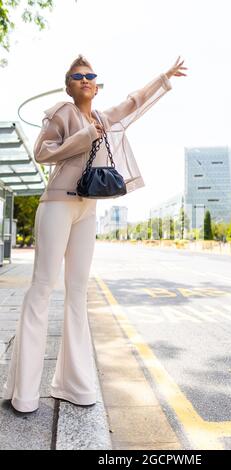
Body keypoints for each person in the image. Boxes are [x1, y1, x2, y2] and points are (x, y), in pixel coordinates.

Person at [2, 54, 188, 413]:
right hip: (57, 204)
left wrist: (163, 77)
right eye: (77, 76)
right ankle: (23, 392)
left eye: (90, 75)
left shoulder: (103, 117)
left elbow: (134, 103)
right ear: (68, 85)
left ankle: (73, 385)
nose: (85, 79)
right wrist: (86, 135)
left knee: (77, 292)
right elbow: (44, 152)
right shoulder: (61, 112)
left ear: (97, 84)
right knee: (42, 288)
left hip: (88, 209)